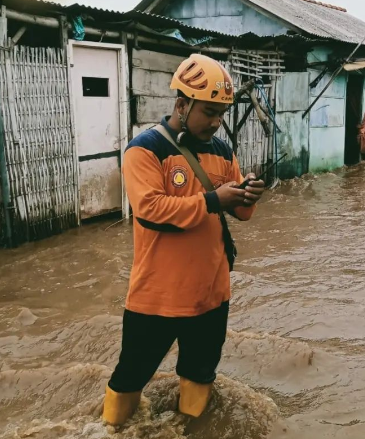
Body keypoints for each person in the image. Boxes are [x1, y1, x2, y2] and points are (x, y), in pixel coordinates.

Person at [102, 54, 265, 426]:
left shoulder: (223, 151)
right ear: (181, 104)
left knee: (199, 374)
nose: (216, 122)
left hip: (211, 294)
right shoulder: (144, 150)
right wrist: (213, 199)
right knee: (131, 377)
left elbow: (239, 211)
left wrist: (247, 195)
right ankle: (111, 431)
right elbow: (150, 211)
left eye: (222, 113)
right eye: (209, 112)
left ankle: (187, 431)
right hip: (156, 297)